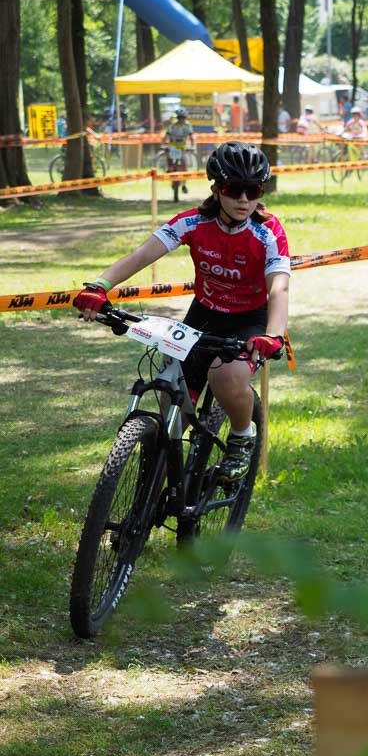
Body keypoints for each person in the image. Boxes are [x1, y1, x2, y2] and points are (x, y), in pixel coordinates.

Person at [72, 142, 291, 481]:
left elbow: (279, 287)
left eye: (254, 190)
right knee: (173, 407)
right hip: (204, 314)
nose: (244, 199)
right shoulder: (193, 222)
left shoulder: (268, 231)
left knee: (225, 377)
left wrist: (273, 335)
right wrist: (99, 286)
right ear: (216, 188)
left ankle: (241, 438)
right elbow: (141, 255)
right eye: (234, 189)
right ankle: (158, 491)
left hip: (250, 320)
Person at [163, 110, 197, 198]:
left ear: (185, 118)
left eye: (183, 117)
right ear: (178, 118)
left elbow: (192, 137)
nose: (181, 119)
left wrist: (193, 146)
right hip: (173, 146)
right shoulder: (172, 126)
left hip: (182, 148)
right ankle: (169, 168)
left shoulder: (187, 126)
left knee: (185, 165)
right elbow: (166, 137)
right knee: (169, 157)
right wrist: (164, 145)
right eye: (180, 117)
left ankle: (184, 185)